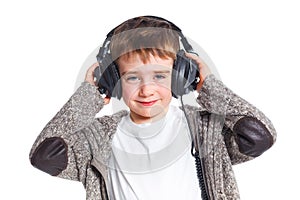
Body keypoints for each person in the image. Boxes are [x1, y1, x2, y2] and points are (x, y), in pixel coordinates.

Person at [29, 16, 276, 200]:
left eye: (159, 76)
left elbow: (259, 137)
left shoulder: (206, 130)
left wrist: (210, 88)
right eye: (133, 78)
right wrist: (86, 99)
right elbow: (44, 156)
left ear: (182, 76)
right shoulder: (97, 138)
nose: (147, 90)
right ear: (113, 81)